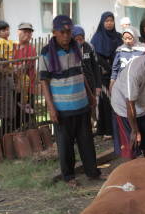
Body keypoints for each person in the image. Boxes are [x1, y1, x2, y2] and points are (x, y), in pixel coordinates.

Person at [40, 15, 101, 187]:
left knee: (87, 141)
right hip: (62, 106)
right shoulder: (46, 52)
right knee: (65, 145)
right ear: (54, 33)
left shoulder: (76, 48)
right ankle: (69, 177)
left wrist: (90, 95)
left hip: (81, 103)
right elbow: (44, 81)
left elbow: (81, 74)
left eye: (69, 32)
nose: (66, 36)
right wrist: (51, 108)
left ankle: (92, 172)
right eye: (62, 32)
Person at [91, 12, 122, 138]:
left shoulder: (118, 37)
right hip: (103, 76)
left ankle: (119, 129)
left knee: (119, 102)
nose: (109, 23)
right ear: (102, 22)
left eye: (111, 20)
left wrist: (115, 68)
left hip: (118, 74)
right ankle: (107, 130)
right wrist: (109, 67)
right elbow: (96, 57)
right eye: (107, 21)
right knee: (106, 103)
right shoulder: (97, 38)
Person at [13, 22, 37, 129]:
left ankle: (33, 140)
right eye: (24, 31)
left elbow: (26, 66)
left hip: (27, 88)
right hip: (14, 88)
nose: (27, 34)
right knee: (16, 117)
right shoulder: (13, 48)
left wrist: (12, 69)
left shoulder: (31, 49)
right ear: (18, 32)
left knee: (28, 116)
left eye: (29, 32)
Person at [72, 25, 102, 103]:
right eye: (76, 39)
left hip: (90, 83)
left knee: (92, 106)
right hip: (77, 86)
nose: (79, 42)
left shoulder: (89, 47)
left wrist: (98, 85)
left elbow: (95, 67)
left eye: (81, 39)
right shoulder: (70, 50)